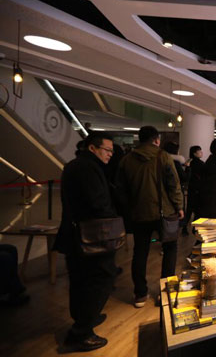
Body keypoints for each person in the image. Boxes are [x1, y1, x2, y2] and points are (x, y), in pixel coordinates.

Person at [55, 132, 119, 351]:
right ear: (92, 148)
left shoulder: (75, 165)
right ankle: (81, 332)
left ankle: (85, 319)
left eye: (111, 151)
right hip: (91, 236)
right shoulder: (87, 168)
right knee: (100, 278)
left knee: (81, 280)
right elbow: (97, 203)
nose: (110, 154)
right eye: (107, 150)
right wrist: (114, 215)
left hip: (77, 234)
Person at [118, 126, 184, 308]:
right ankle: (165, 292)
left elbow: (121, 189)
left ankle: (140, 294)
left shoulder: (126, 160)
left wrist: (129, 209)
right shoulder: (163, 156)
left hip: (139, 214)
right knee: (170, 249)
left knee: (140, 251)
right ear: (156, 140)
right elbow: (173, 184)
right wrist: (179, 206)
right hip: (165, 212)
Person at [184, 145, 205, 230]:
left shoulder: (189, 162)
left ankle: (184, 228)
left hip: (191, 188)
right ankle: (195, 229)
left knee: (189, 210)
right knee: (198, 211)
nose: (201, 152)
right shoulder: (200, 164)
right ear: (194, 153)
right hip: (198, 189)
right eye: (199, 151)